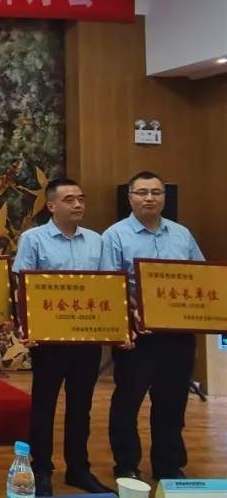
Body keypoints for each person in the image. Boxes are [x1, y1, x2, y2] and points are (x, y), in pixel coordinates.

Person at [100, 171, 205, 482]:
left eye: (156, 192)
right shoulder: (114, 236)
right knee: (127, 402)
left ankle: (168, 465)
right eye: (142, 192)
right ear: (130, 197)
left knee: (172, 402)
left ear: (164, 198)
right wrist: (132, 312)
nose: (150, 198)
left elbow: (201, 277)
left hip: (178, 334)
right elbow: (109, 284)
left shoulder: (182, 234)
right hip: (138, 335)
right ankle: (126, 465)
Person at [12, 179, 113, 497]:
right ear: (51, 205)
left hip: (86, 339)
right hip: (49, 341)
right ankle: (41, 470)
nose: (78, 204)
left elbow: (108, 286)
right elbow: (22, 287)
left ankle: (78, 469)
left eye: (81, 198)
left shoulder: (96, 240)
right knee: (44, 406)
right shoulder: (33, 239)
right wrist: (26, 327)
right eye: (69, 199)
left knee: (81, 406)